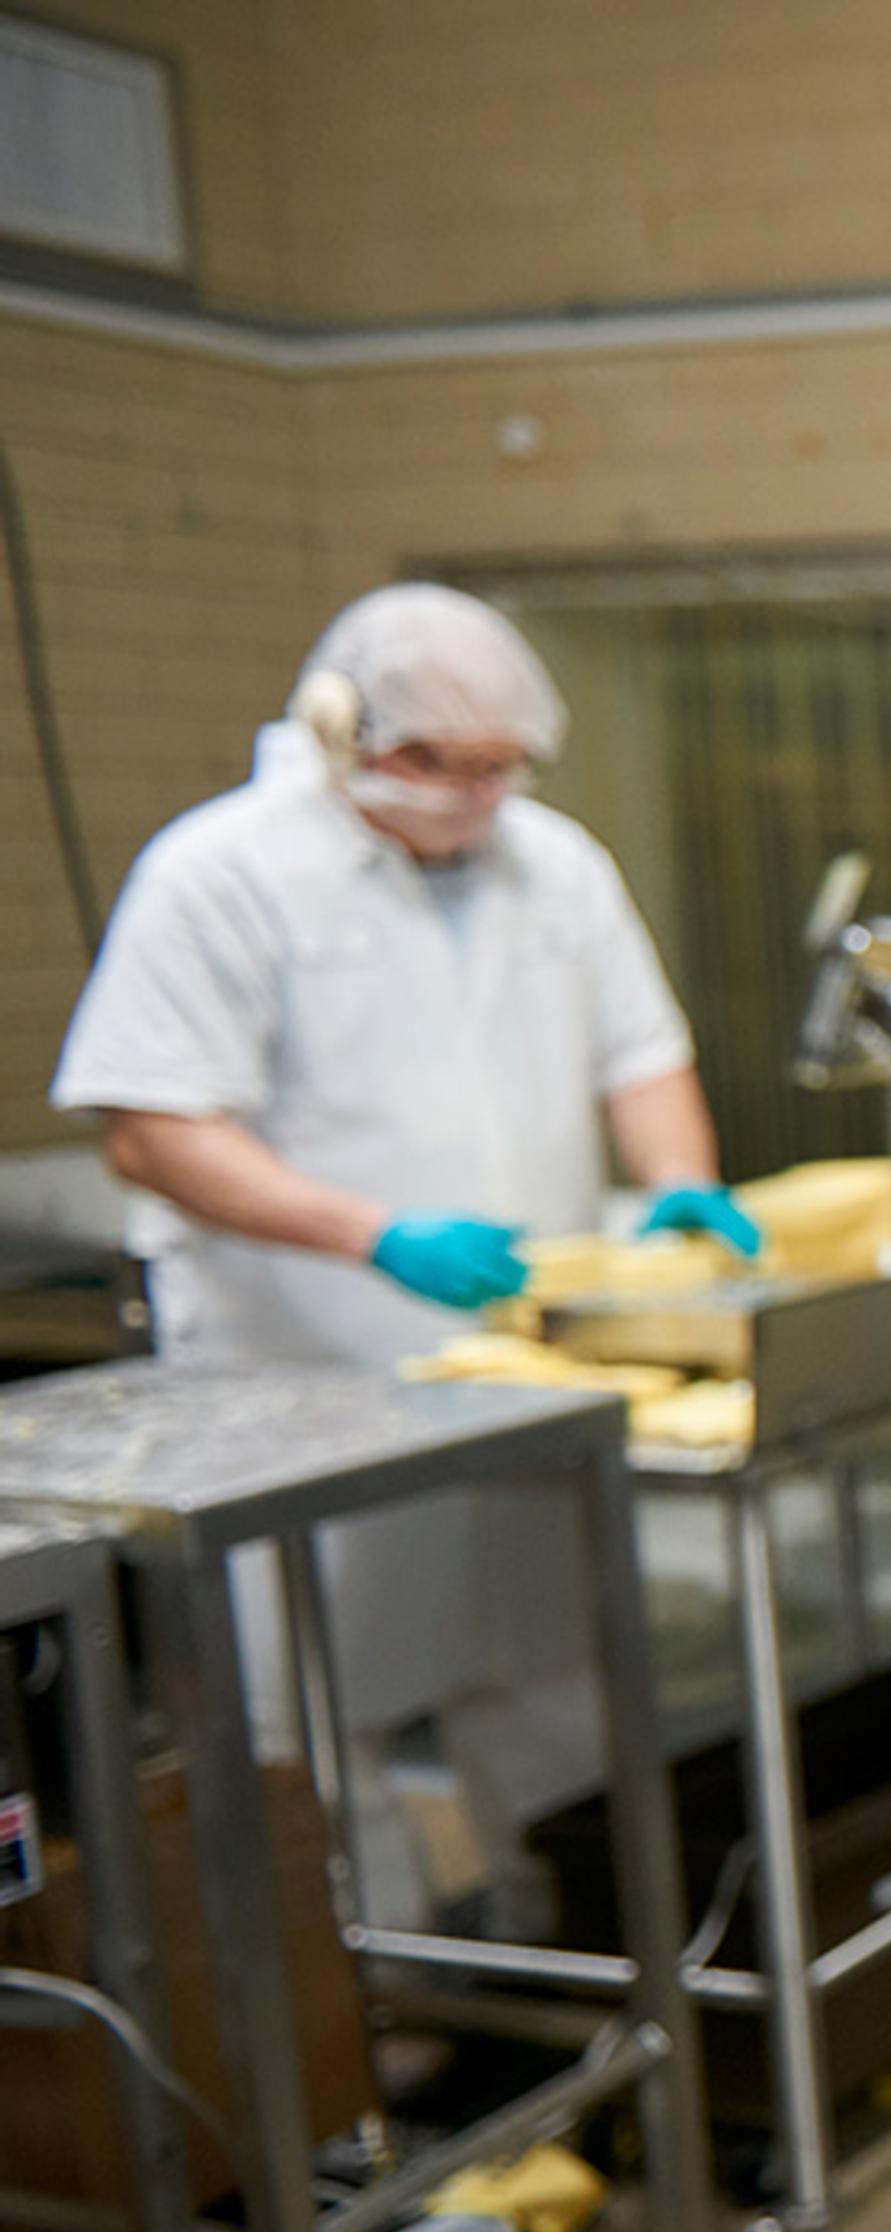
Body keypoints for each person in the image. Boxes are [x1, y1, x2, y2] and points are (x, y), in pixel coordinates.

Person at [52, 583, 759, 1925]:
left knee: (553, 1671)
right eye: (442, 764)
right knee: (314, 1724)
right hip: (298, 1381)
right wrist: (374, 1236)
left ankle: (585, 1954)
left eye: (499, 768)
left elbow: (642, 1051)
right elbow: (150, 1128)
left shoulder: (557, 863)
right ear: (339, 729)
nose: (473, 798)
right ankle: (374, 2018)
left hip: (514, 1371)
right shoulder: (220, 873)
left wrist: (680, 1186)